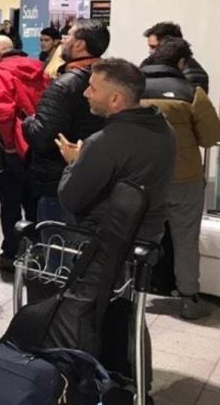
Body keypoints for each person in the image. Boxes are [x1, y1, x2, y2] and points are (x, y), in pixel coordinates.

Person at [56, 59, 175, 379]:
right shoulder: (163, 128)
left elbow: (71, 197)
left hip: (108, 246)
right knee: (128, 313)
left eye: (93, 88)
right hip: (147, 240)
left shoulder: (105, 143)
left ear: (115, 99)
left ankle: (95, 382)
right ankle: (134, 381)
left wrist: (74, 162)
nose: (85, 93)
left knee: (94, 316)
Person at [140, 37, 220, 319]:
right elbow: (211, 136)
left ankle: (131, 293)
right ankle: (189, 300)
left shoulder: (134, 87)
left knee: (137, 236)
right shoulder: (191, 91)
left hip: (141, 178)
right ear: (182, 62)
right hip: (184, 178)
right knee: (186, 240)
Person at [23, 20, 110, 225]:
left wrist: (28, 121)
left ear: (80, 44)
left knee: (57, 241)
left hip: (60, 182)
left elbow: (42, 137)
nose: (63, 41)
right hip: (96, 177)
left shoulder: (65, 85)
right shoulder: (109, 79)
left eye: (67, 35)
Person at [0, 36, 47, 271]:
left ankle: (11, 253)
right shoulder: (38, 68)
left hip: (14, 145)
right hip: (37, 141)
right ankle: (38, 252)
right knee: (33, 200)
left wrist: (8, 143)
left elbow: (2, 112)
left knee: (10, 202)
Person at [142, 21, 209, 93]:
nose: (150, 51)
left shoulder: (193, 73)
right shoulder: (146, 66)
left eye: (153, 47)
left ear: (170, 44)